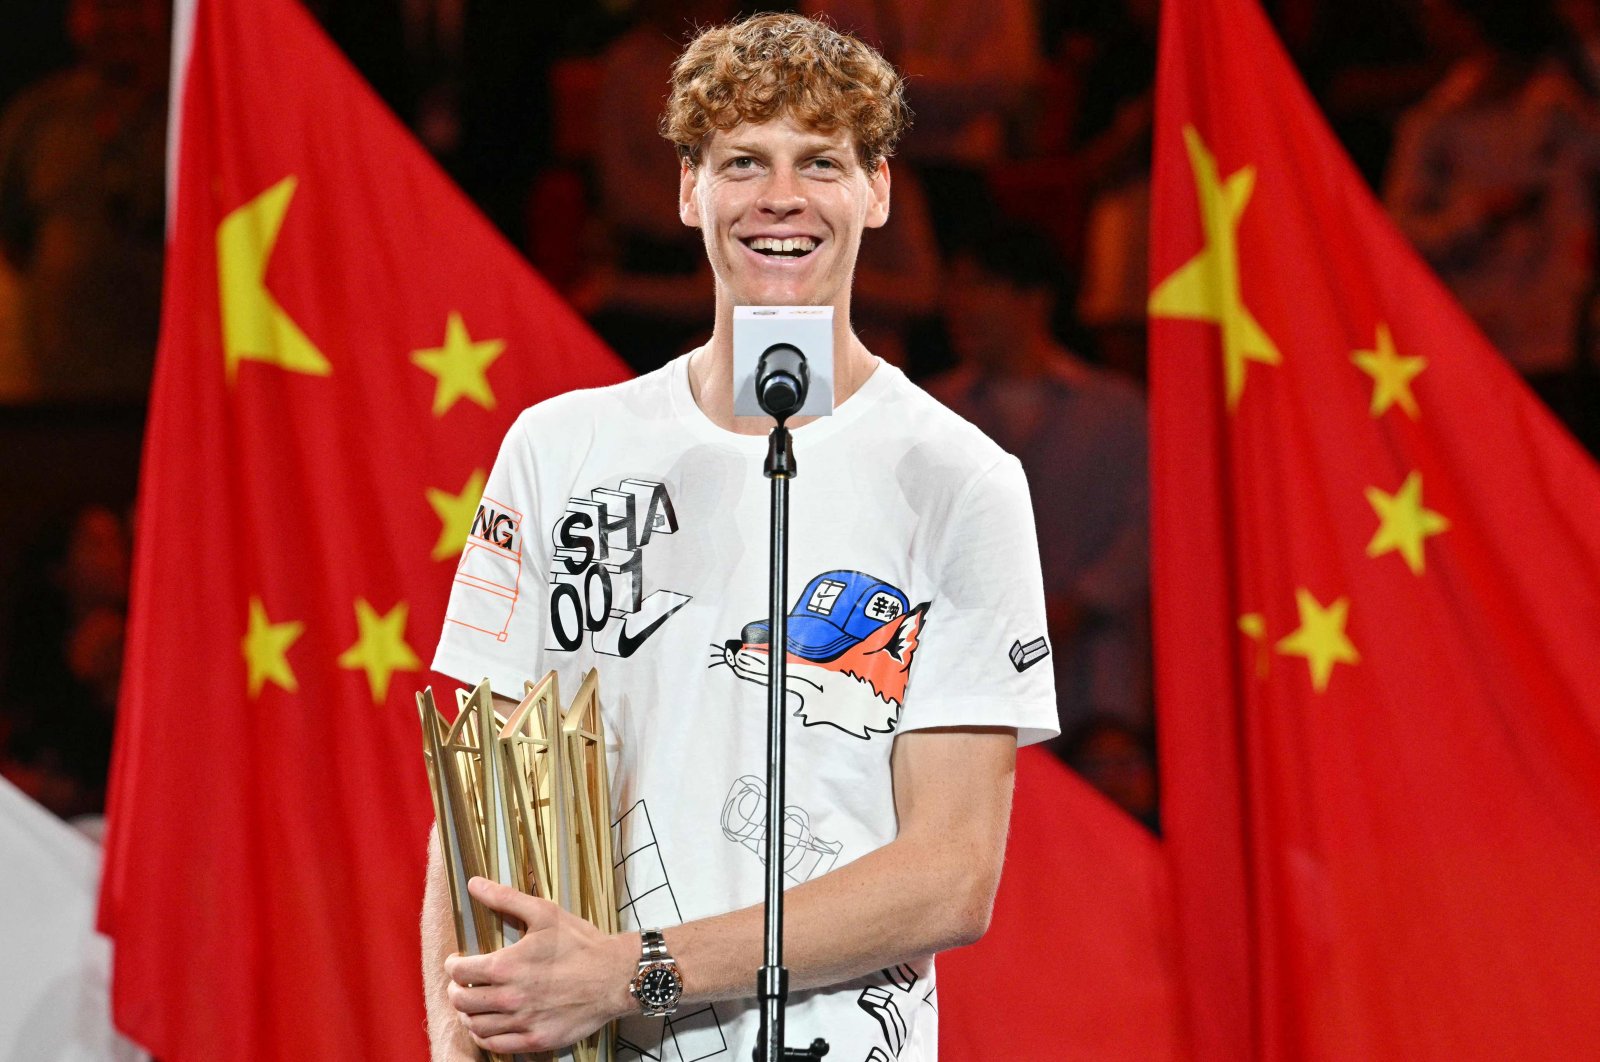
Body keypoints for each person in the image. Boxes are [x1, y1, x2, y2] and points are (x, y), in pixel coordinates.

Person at [422, 14, 1058, 1061]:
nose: (780, 198)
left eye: (821, 162)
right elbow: (476, 817)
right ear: (687, 190)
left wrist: (630, 972)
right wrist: (460, 1045)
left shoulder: (963, 482)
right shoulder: (557, 449)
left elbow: (952, 873)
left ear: (880, 190)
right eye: (742, 162)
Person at [930, 226, 1150, 739]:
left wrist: (1075, 608)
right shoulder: (928, 410)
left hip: (1098, 676)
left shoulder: (1115, 409)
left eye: (978, 285)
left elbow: (1147, 529)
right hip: (968, 672)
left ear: (1034, 298)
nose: (959, 305)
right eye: (954, 288)